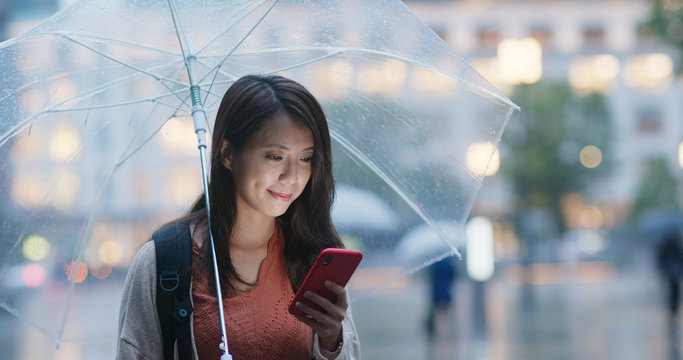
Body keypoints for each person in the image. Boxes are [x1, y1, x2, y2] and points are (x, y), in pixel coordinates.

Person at [117, 75, 361, 359]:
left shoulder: (314, 257)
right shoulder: (162, 262)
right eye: (274, 156)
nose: (292, 177)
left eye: (306, 158)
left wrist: (332, 340)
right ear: (227, 154)